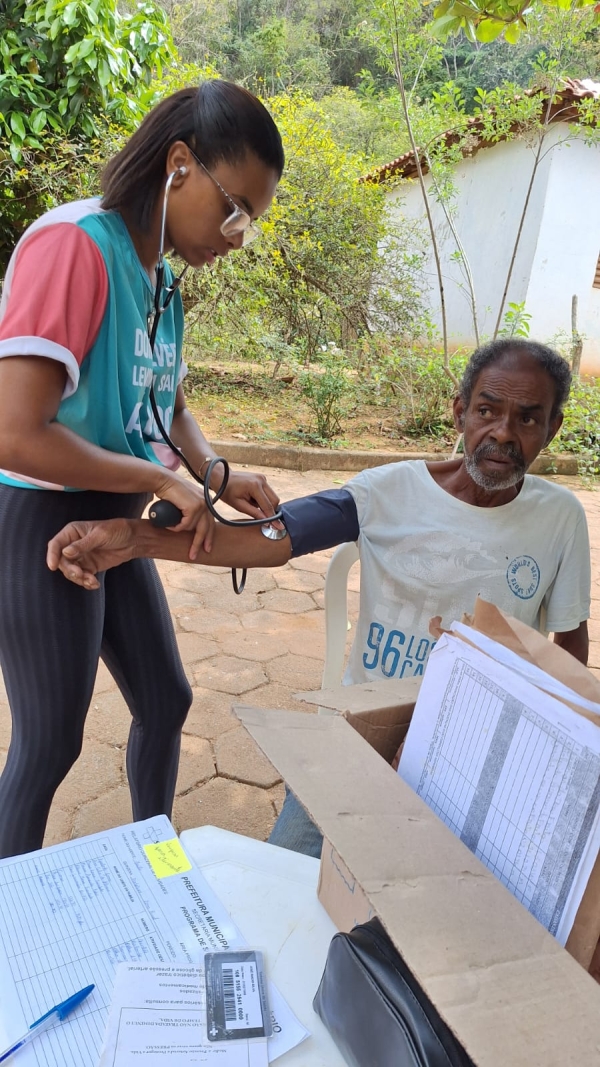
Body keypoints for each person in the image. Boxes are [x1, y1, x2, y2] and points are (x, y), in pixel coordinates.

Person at [47, 339, 592, 855]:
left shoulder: (560, 519)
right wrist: (136, 539)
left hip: (476, 751)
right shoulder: (391, 491)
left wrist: (535, 749)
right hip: (363, 733)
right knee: (285, 870)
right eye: (487, 411)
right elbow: (269, 539)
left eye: (527, 418)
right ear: (459, 412)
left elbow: (569, 645)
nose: (502, 433)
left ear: (553, 428)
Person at [0, 80, 285, 858]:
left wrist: (218, 474)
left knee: (165, 699)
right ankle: (13, 938)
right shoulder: (75, 247)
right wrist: (167, 483)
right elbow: (15, 434)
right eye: (235, 208)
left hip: (118, 511)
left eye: (250, 223)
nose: (236, 235)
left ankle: (157, 868)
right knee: (50, 742)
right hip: (41, 518)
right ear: (180, 164)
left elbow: (173, 406)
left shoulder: (159, 279)